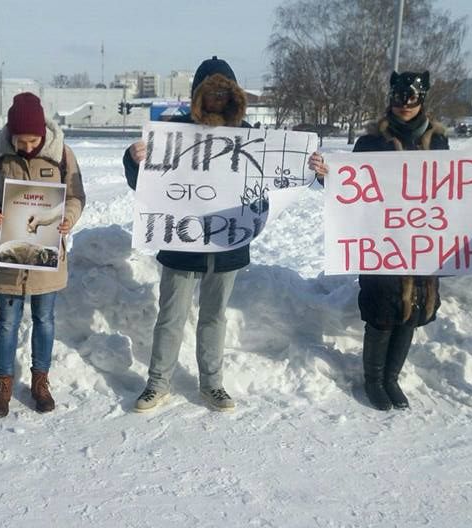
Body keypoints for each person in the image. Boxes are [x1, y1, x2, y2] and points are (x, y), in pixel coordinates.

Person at [123, 56, 325, 412]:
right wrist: (133, 159)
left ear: (234, 95)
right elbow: (146, 187)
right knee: (171, 316)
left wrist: (312, 168)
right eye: (209, 91)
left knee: (214, 316)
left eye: (223, 91)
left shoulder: (250, 137)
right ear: (197, 94)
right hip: (181, 243)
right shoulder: (174, 133)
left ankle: (212, 384)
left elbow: (282, 177)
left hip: (227, 242)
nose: (216, 98)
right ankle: (158, 383)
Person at [326, 71, 472, 412]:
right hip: (382, 242)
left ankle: (392, 378)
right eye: (398, 98)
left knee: (412, 311)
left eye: (411, 99)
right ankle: (373, 380)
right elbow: (350, 186)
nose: (404, 106)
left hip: (422, 243)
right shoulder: (371, 142)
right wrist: (327, 173)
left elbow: (457, 187)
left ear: (422, 99)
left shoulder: (438, 141)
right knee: (383, 312)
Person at [0, 92, 85, 418]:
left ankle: (40, 381)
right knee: (7, 323)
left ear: (42, 133)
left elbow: (77, 195)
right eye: (20, 141)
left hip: (46, 259)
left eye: (32, 139)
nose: (26, 146)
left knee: (44, 320)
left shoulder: (62, 154)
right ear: (11, 134)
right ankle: (3, 384)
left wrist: (69, 217)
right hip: (9, 257)